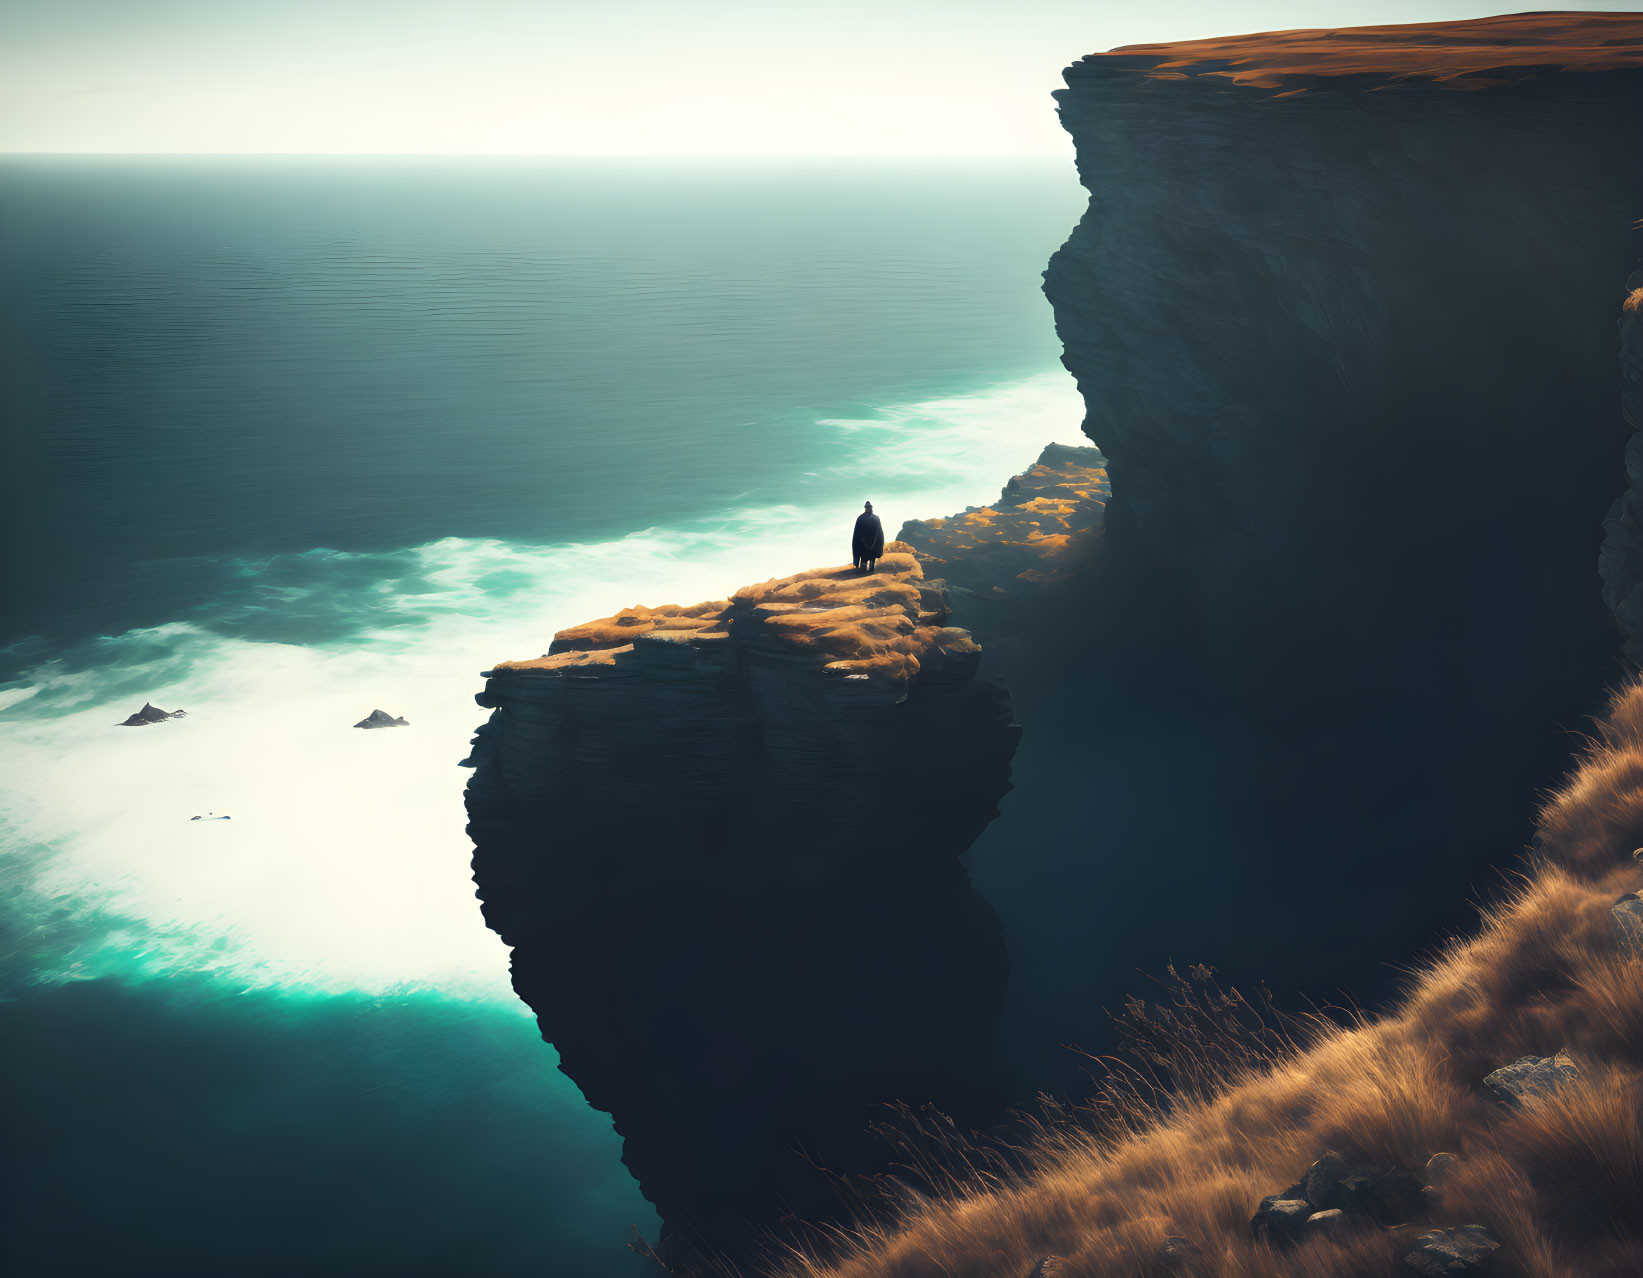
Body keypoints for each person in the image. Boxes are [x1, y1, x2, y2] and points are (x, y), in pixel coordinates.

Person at [852, 500, 885, 573]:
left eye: (870, 507)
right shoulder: (861, 518)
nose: (870, 509)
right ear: (865, 508)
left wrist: (880, 542)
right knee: (864, 559)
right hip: (863, 544)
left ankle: (871, 567)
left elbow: (879, 532)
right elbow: (857, 533)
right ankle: (863, 569)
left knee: (872, 558)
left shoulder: (876, 518)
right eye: (868, 508)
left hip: (874, 543)